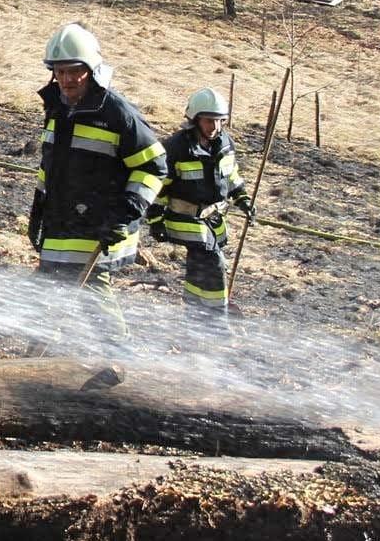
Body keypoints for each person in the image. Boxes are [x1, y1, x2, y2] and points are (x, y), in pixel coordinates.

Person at [27, 23, 165, 346]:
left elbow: (153, 166)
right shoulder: (57, 107)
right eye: (59, 72)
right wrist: (38, 211)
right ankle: (35, 363)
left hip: (97, 227)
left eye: (74, 71)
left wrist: (126, 213)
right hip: (59, 224)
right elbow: (50, 168)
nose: (66, 80)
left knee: (93, 298)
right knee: (45, 295)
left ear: (90, 70)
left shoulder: (118, 113)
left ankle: (120, 363)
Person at [147, 87, 253, 323]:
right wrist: (155, 219)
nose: (214, 127)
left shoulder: (225, 143)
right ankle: (217, 320)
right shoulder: (177, 147)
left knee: (199, 264)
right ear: (195, 119)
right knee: (213, 263)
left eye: (219, 121)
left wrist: (243, 199)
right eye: (208, 121)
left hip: (214, 219)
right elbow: (159, 185)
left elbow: (231, 175)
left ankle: (194, 313)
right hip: (185, 219)